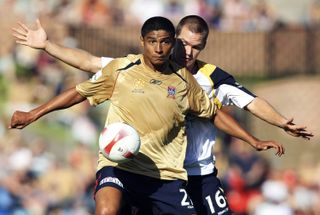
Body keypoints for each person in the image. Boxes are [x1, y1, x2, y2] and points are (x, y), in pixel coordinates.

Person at [11, 16, 311, 215]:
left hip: (188, 174)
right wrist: (47, 47)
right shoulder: (127, 68)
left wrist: (268, 130)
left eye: (197, 46)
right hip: (133, 166)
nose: (188, 51)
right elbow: (87, 66)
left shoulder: (204, 80)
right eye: (183, 43)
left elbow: (244, 104)